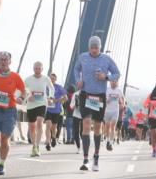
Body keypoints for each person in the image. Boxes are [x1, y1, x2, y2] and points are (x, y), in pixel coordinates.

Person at [72, 35, 120, 171]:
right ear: (89, 47)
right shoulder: (83, 57)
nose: (94, 50)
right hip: (85, 95)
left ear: (100, 47)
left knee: (98, 128)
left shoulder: (106, 59)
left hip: (99, 97)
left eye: (96, 48)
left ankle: (96, 158)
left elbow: (117, 73)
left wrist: (106, 77)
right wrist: (78, 80)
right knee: (86, 124)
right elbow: (76, 69)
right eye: (92, 48)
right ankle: (86, 159)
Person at [0, 51, 24, 174]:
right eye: (1, 59)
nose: (3, 62)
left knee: (5, 139)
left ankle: (1, 165)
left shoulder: (15, 77)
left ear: (10, 61)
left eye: (5, 59)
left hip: (9, 111)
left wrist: (21, 98)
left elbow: (23, 90)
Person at [23, 61, 51, 157]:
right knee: (32, 127)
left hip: (42, 103)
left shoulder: (46, 78)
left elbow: (52, 89)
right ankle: (34, 146)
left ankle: (38, 146)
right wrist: (27, 97)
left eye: (39, 68)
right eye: (36, 68)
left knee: (39, 123)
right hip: (31, 105)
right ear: (33, 68)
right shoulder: (28, 79)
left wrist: (50, 97)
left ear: (42, 69)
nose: (37, 70)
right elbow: (24, 90)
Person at [103, 79, 124, 151]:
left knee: (113, 126)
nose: (114, 82)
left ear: (117, 82)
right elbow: (102, 100)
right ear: (110, 82)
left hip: (115, 111)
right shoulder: (106, 90)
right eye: (112, 81)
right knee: (107, 127)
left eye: (115, 81)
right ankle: (107, 141)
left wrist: (122, 104)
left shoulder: (119, 91)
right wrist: (107, 100)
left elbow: (122, 99)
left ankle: (111, 143)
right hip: (107, 111)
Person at [45, 72, 65, 147]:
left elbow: (65, 98)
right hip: (48, 110)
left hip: (56, 110)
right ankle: (48, 141)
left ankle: (53, 138)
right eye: (50, 78)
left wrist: (56, 100)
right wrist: (46, 100)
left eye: (53, 79)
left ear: (55, 79)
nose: (51, 80)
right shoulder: (46, 87)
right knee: (48, 126)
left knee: (54, 128)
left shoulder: (59, 87)